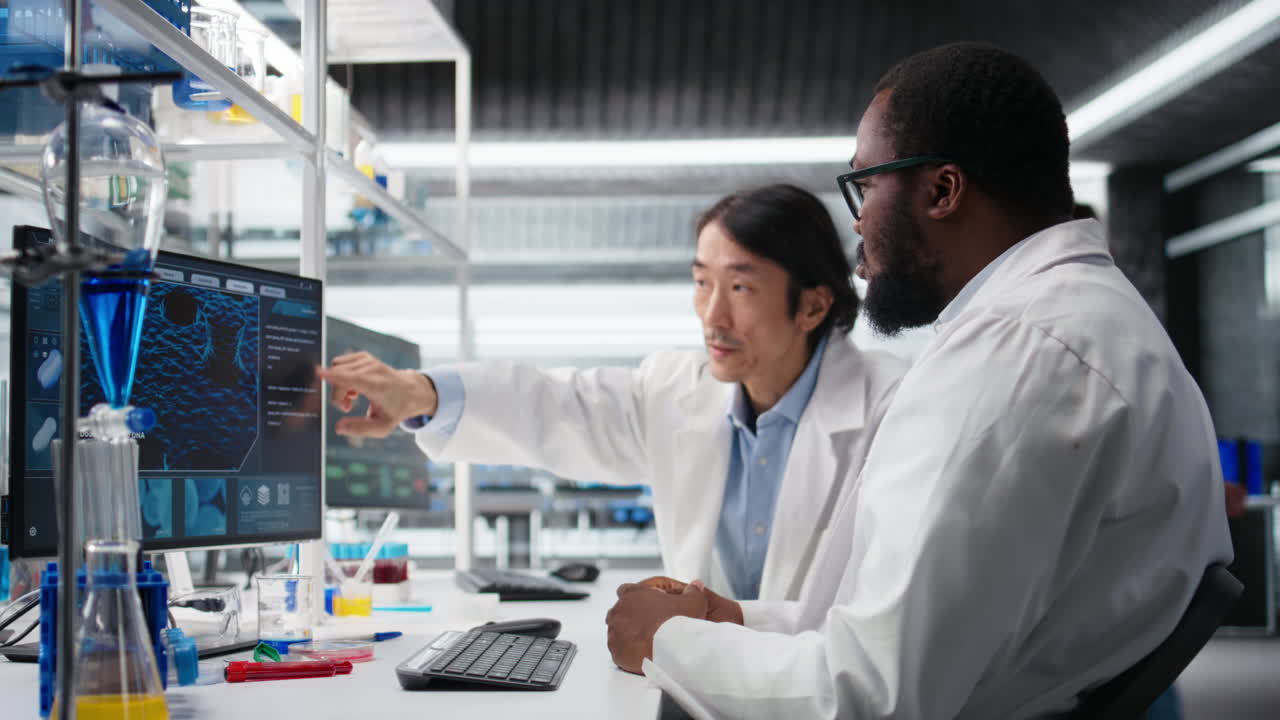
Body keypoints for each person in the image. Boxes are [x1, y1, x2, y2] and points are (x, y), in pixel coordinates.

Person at [604, 42, 1233, 719]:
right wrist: (738, 620)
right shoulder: (1078, 321)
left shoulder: (1018, 359)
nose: (858, 221)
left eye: (866, 185)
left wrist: (661, 640)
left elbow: (871, 696)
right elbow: (923, 634)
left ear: (941, 190)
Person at [318, 184, 907, 602]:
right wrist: (419, 392)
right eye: (701, 282)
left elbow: (882, 617)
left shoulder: (889, 410)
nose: (712, 315)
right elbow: (556, 405)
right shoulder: (675, 392)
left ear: (811, 305)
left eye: (741, 287)